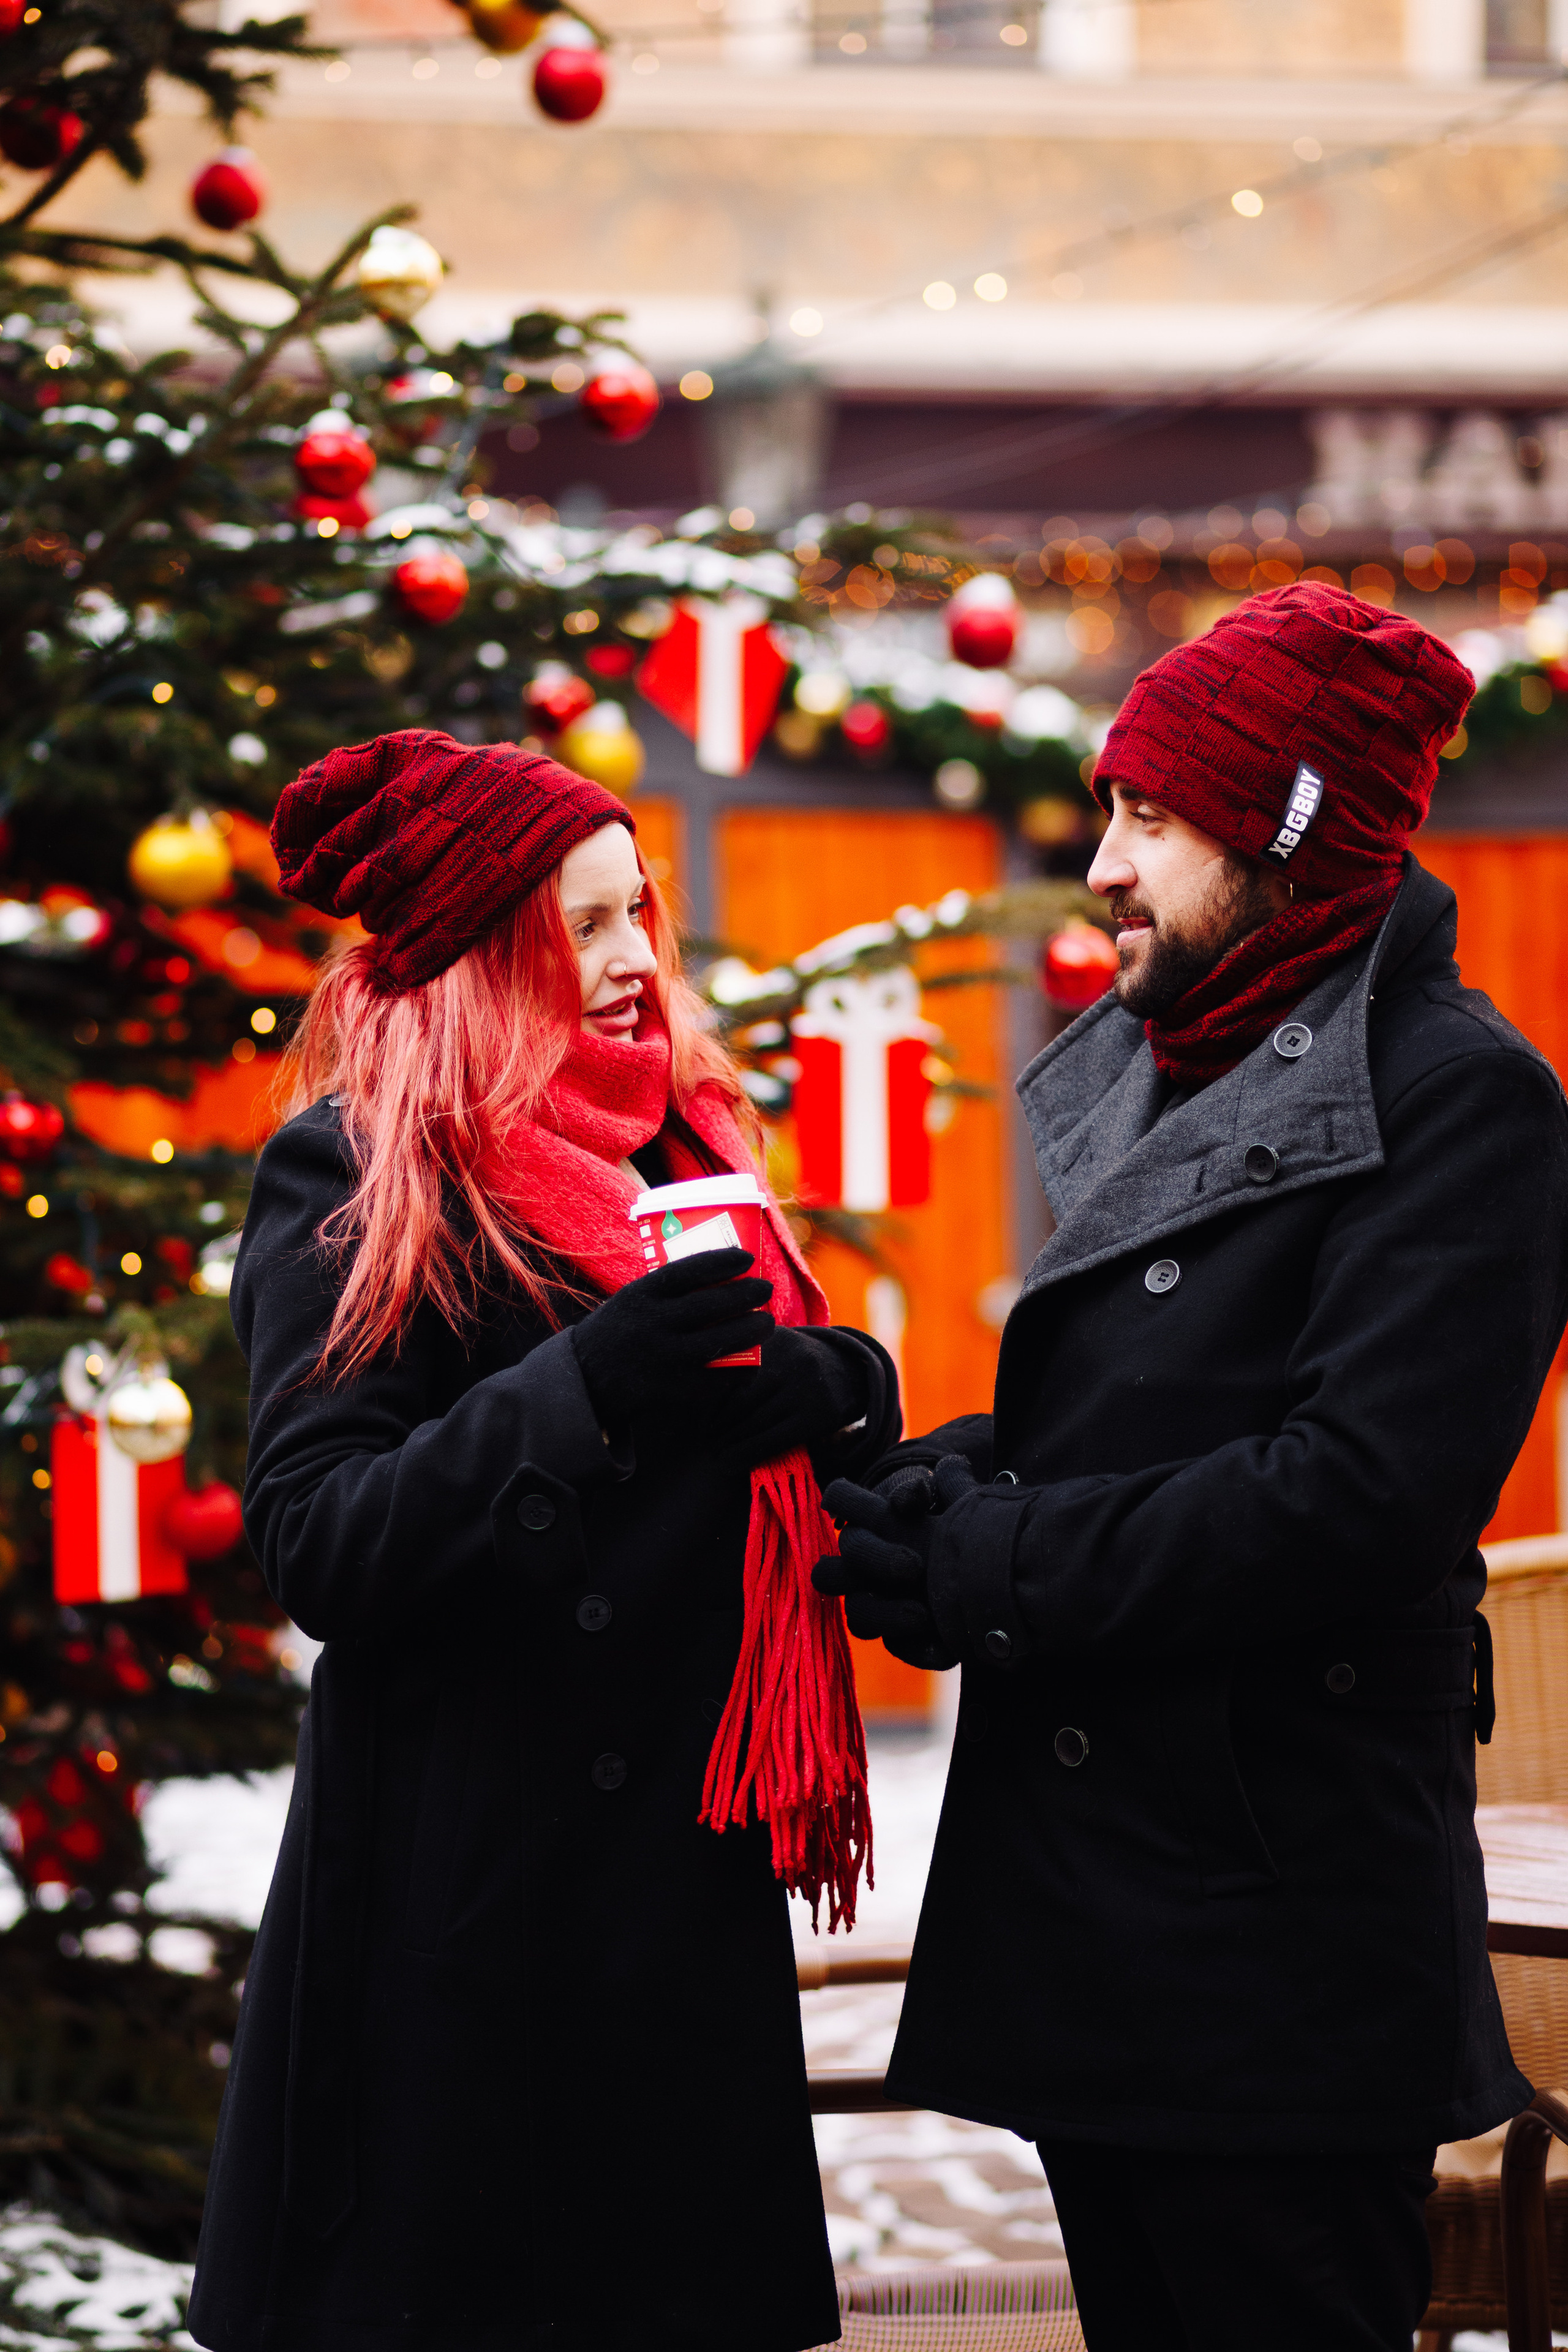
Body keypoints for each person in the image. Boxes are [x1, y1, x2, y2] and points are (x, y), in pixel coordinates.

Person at [816, 581, 1568, 2350]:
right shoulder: (1188, 1058)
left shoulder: (1460, 1096)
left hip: (1274, 1944)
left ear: (1291, 834)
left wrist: (994, 1567)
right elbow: (1166, 1411)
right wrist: (938, 1486)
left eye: (1150, 819)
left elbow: (1354, 1493)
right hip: (1107, 1916)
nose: (1105, 866)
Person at [187, 731, 900, 2352]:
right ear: (488, 945)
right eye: (586, 926)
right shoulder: (364, 1167)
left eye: (640, 907)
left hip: (682, 1896)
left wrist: (834, 1383)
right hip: (472, 1923)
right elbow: (322, 1540)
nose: (642, 957)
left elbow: (781, 1433)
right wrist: (582, 1388)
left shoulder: (687, 1140)